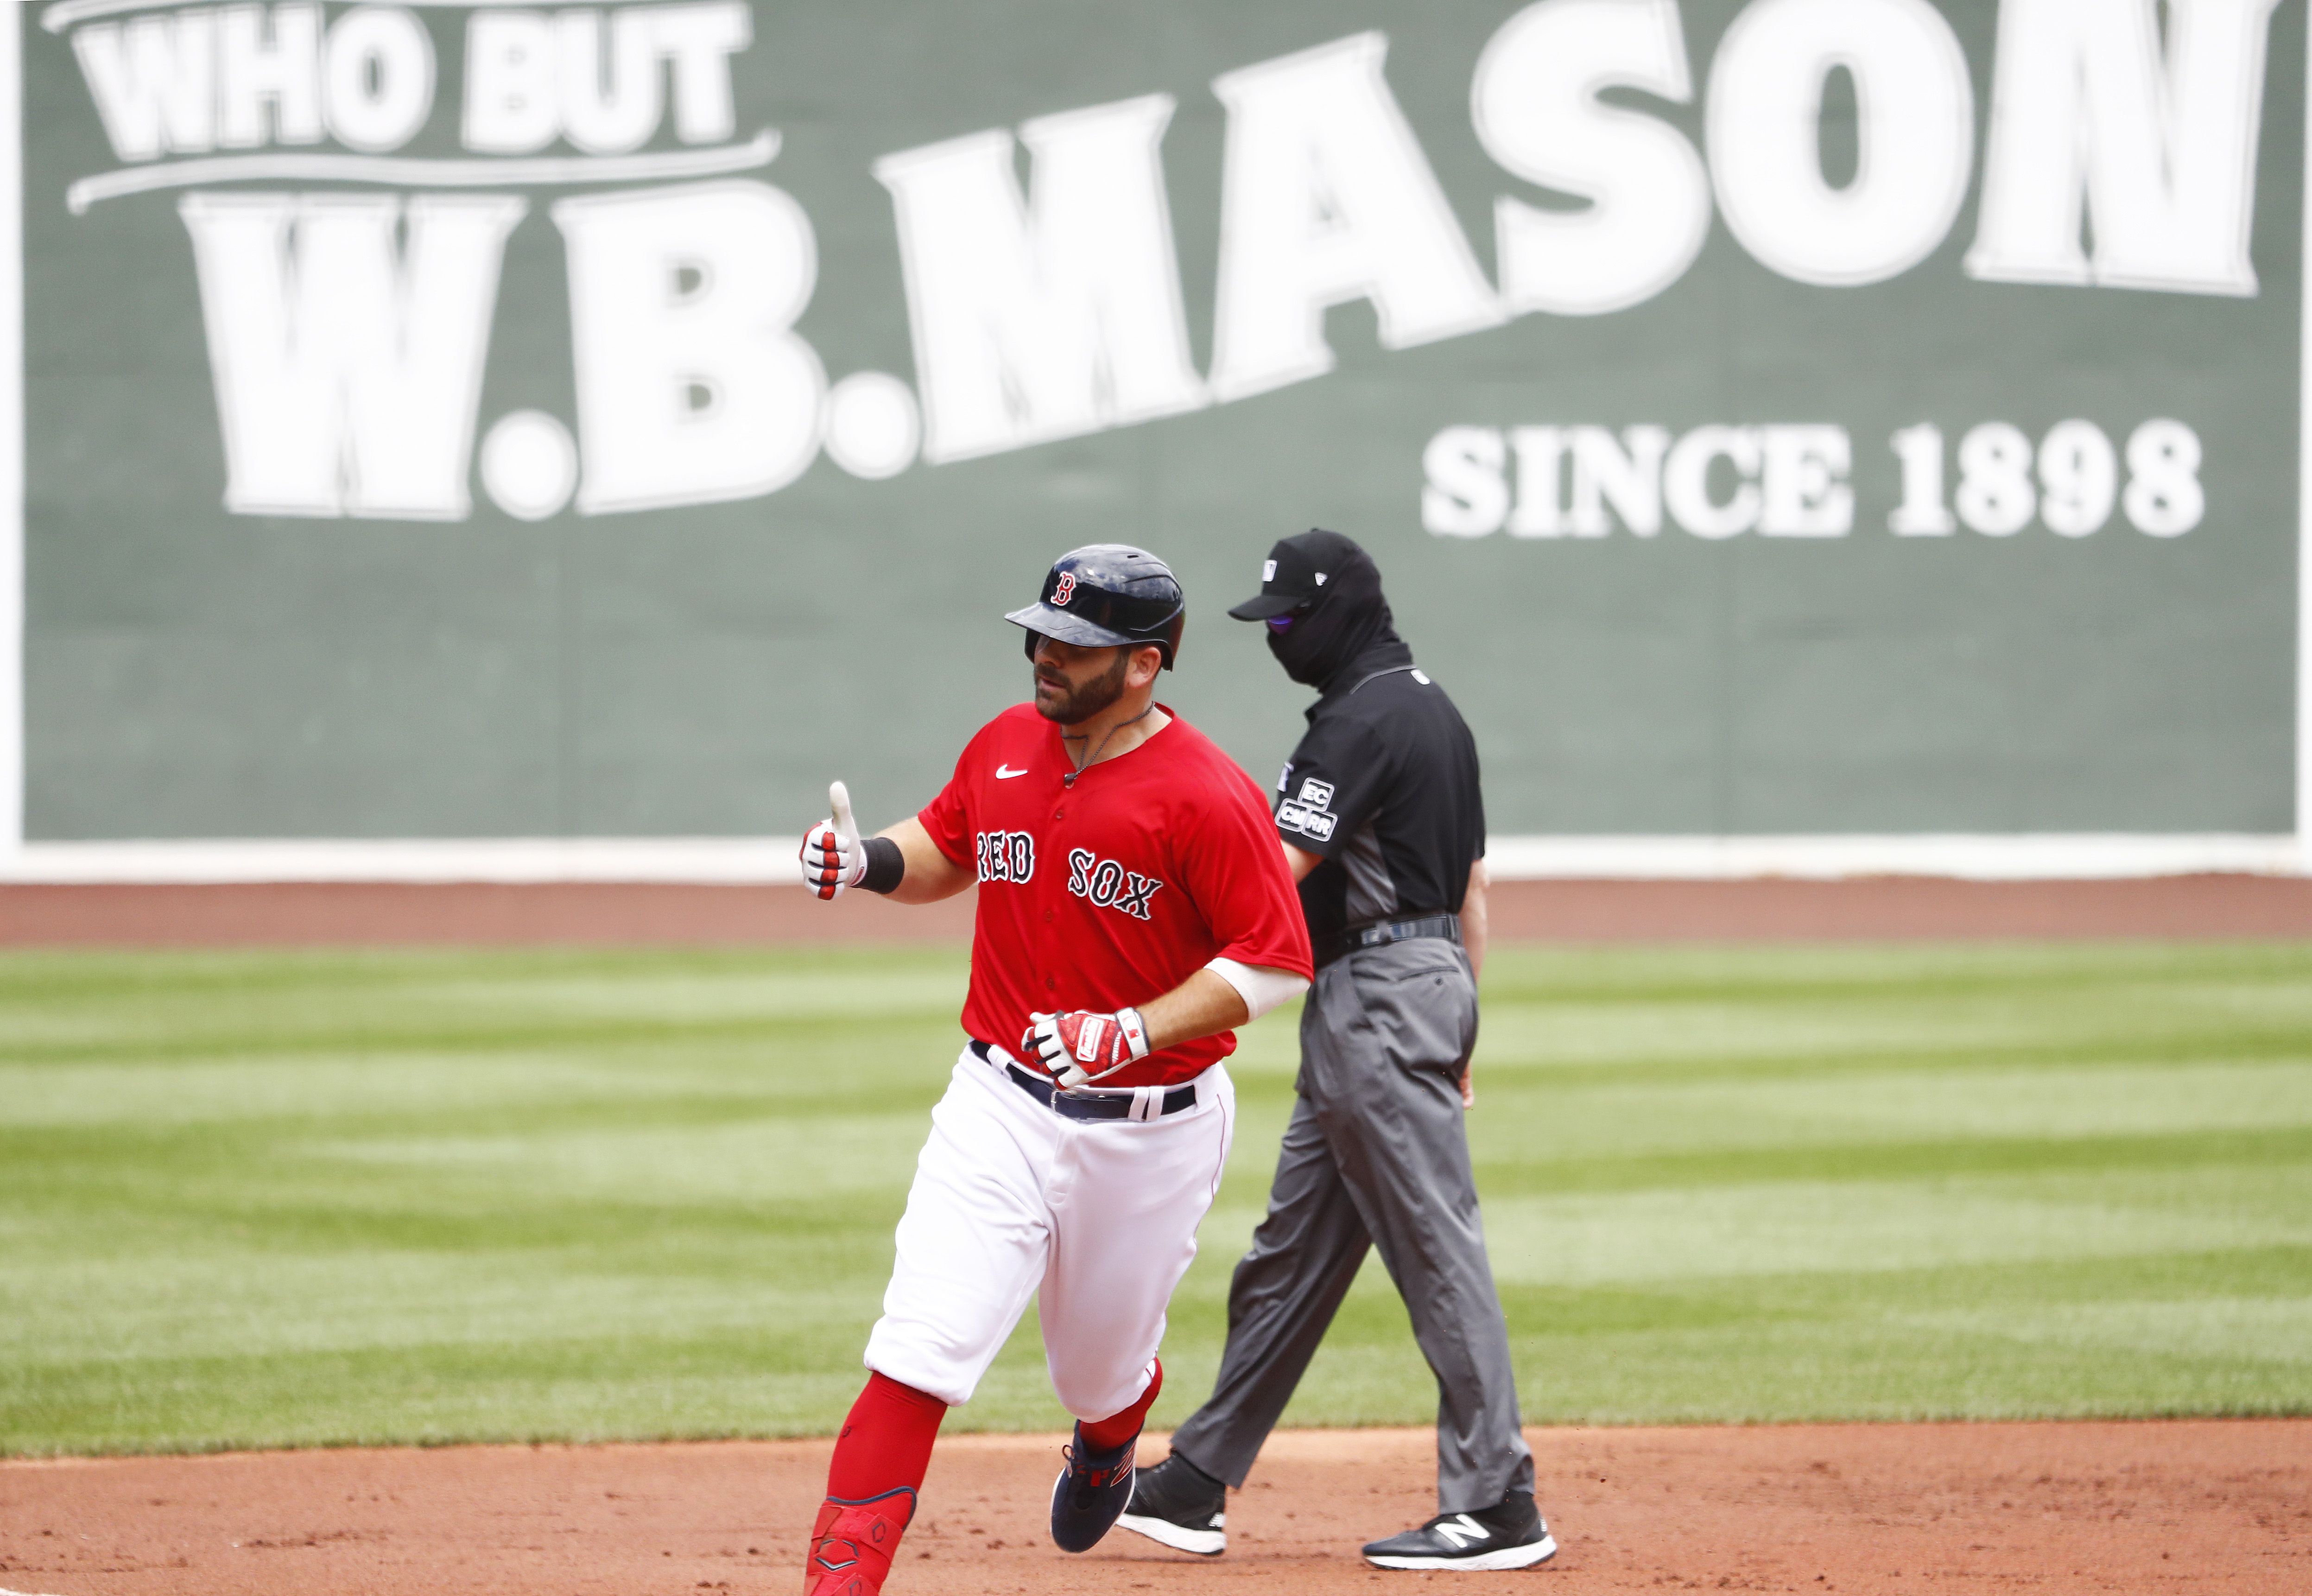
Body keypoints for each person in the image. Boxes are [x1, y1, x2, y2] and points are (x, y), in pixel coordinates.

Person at [794, 544, 1314, 1596]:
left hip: (1151, 1131)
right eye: (1041, 633)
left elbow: (1273, 962)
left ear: (1141, 666)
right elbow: (952, 845)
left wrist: (1131, 1030)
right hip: (995, 1102)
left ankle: (1112, 1432)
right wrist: (865, 865)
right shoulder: (1005, 746)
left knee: (1096, 1368)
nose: (1044, 654)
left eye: (1075, 644)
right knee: (919, 1347)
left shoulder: (1207, 795)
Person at [1116, 528, 1554, 1572]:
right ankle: (1195, 1481)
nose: (1275, 638)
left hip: (1378, 999)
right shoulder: (1435, 713)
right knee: (1291, 1255)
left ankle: (1497, 1501)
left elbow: (1271, 874)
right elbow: (1472, 892)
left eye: (1284, 621)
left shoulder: (1354, 725)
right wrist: (1461, 1030)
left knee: (1434, 1249)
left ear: (1335, 614)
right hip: (1415, 988)